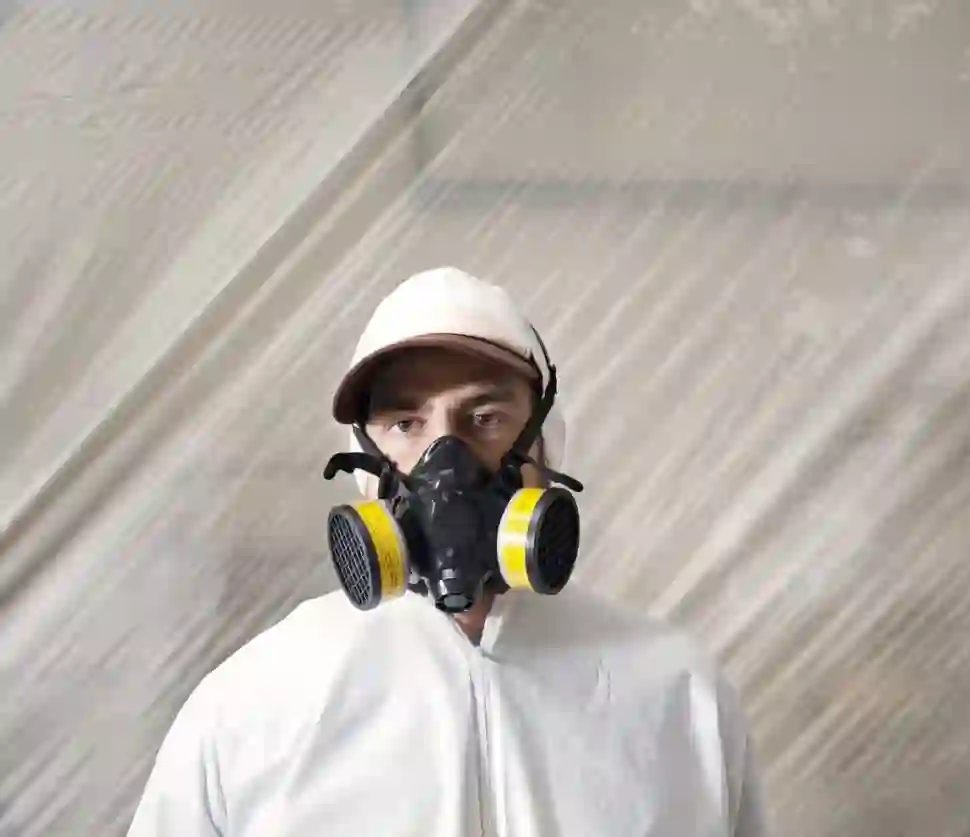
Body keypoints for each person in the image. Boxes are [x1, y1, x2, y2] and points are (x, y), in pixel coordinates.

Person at [127, 266, 768, 837]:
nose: (445, 464)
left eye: (485, 418)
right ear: (364, 458)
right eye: (406, 424)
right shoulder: (253, 705)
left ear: (546, 439)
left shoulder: (677, 695)